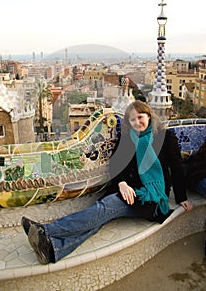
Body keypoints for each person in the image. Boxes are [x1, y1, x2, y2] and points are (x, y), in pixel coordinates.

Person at [21, 100, 192, 264]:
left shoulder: (165, 137)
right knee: (103, 213)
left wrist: (181, 197)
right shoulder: (127, 139)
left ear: (149, 116)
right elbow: (116, 166)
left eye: (140, 117)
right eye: (132, 119)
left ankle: (47, 231)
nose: (137, 122)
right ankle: (53, 250)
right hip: (130, 192)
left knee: (106, 206)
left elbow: (177, 168)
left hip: (151, 199)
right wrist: (122, 183)